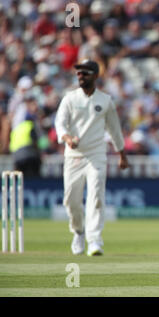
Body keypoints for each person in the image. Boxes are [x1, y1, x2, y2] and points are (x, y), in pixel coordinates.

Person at [55, 59, 129, 256]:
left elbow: (114, 129)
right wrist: (67, 137)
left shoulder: (105, 100)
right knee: (71, 200)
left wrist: (122, 153)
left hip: (96, 154)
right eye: (79, 73)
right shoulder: (70, 98)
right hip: (73, 155)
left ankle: (95, 240)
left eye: (85, 73)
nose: (81, 76)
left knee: (96, 195)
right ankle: (78, 232)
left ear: (96, 75)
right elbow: (60, 123)